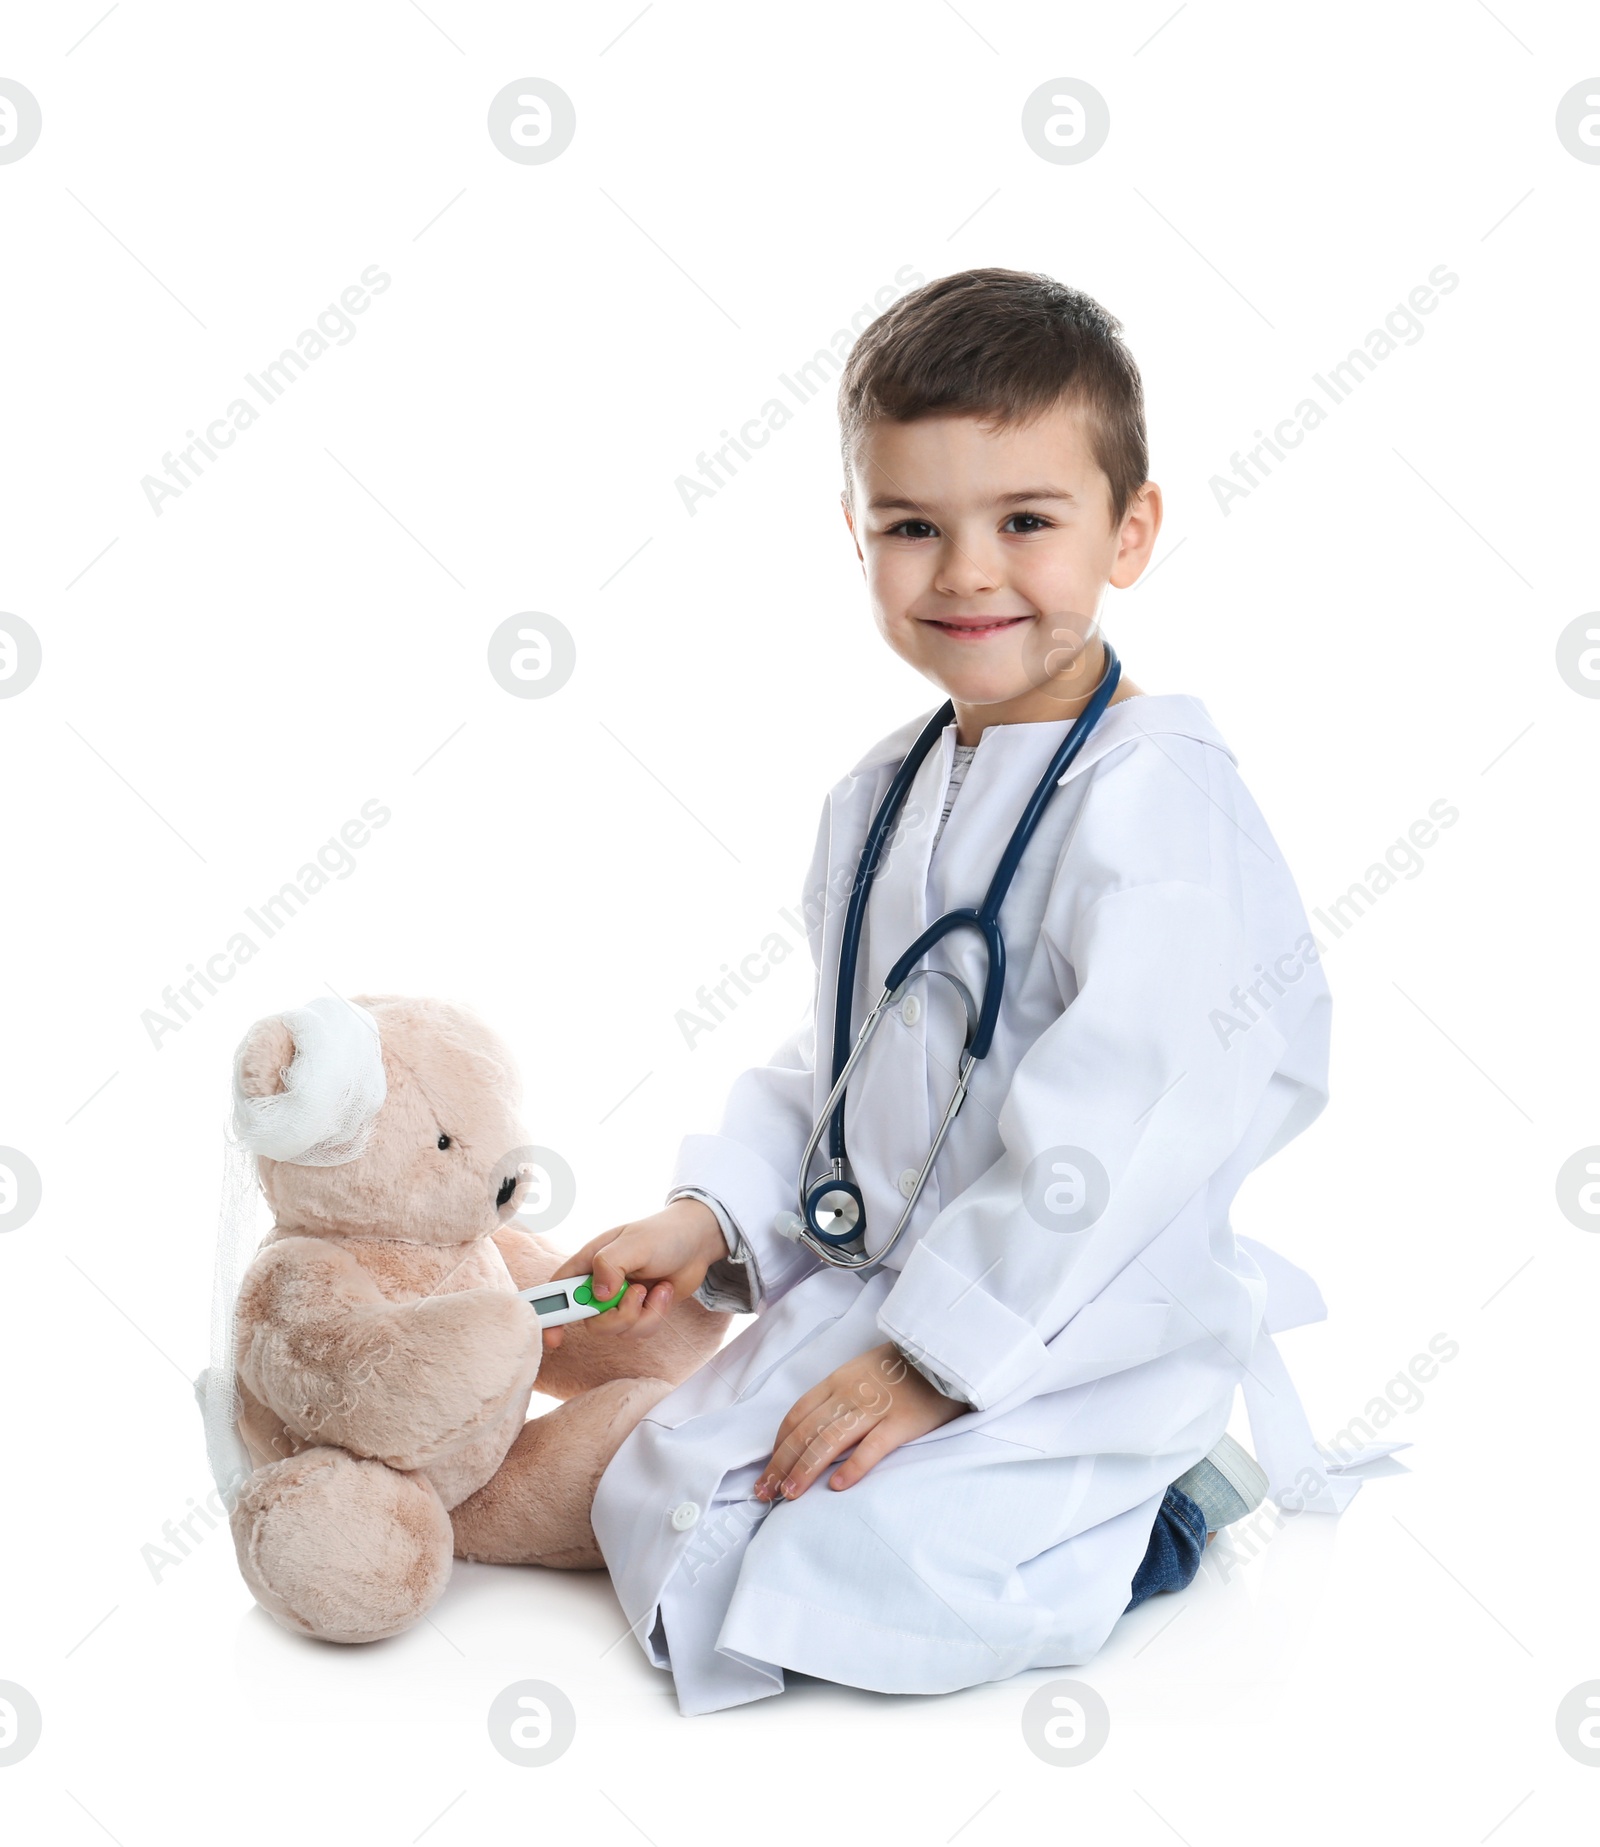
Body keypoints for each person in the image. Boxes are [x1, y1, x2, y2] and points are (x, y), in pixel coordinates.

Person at [549, 268, 1374, 1716]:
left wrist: (935, 1362)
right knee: (671, 1490)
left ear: (1133, 532)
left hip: (1079, 1314)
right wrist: (723, 1211)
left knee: (875, 1569)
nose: (967, 572)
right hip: (899, 1285)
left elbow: (1128, 1120)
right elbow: (854, 1060)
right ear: (856, 536)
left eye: (1026, 523)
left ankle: (1163, 1507)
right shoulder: (880, 795)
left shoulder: (1161, 808)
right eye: (912, 527)